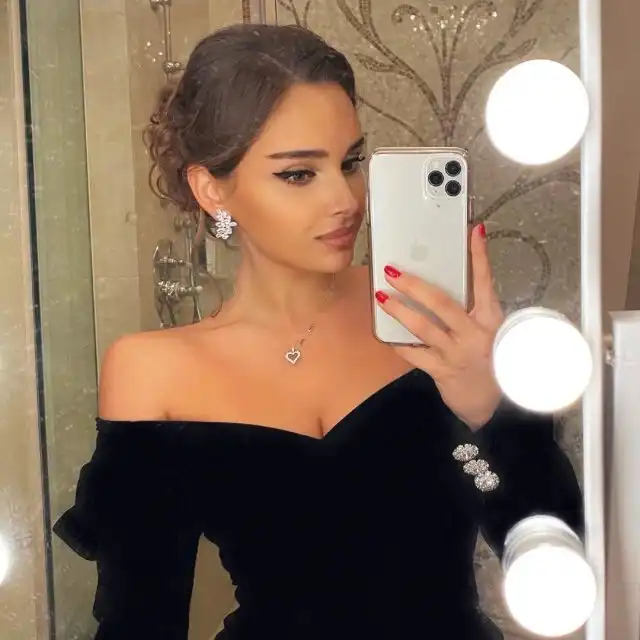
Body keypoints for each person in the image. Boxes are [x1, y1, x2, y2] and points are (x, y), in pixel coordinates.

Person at [54, 23, 583, 640]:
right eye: (299, 174)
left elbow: (554, 546)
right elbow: (138, 623)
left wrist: (487, 411)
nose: (346, 199)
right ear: (212, 190)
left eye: (351, 162)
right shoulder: (155, 370)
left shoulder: (436, 321)